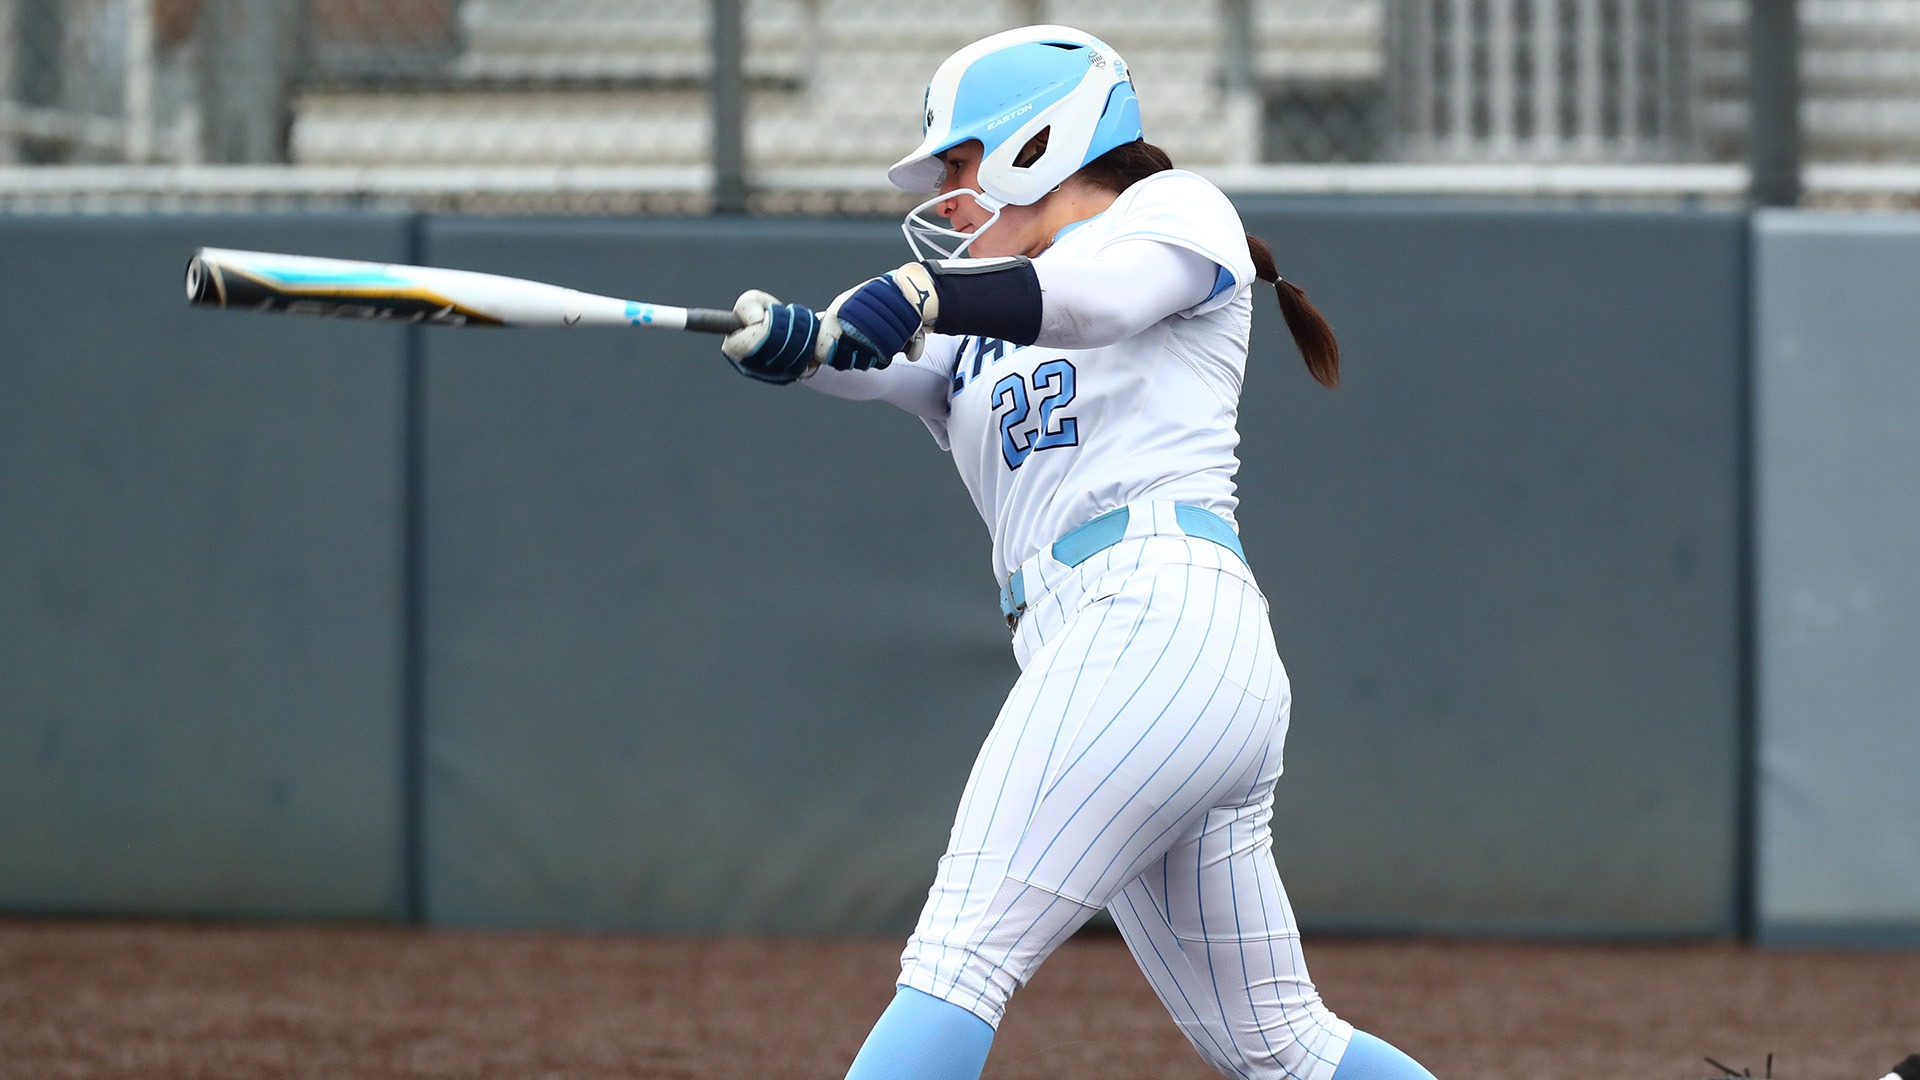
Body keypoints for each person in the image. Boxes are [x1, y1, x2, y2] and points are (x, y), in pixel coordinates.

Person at [718, 24, 1439, 1080]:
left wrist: (923, 296)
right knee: (1284, 1046)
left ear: (1040, 143)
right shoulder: (978, 313)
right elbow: (865, 358)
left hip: (1154, 621)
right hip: (1119, 654)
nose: (951, 198)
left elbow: (1095, 302)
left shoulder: (1172, 212)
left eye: (961, 164)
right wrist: (797, 345)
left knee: (959, 957)